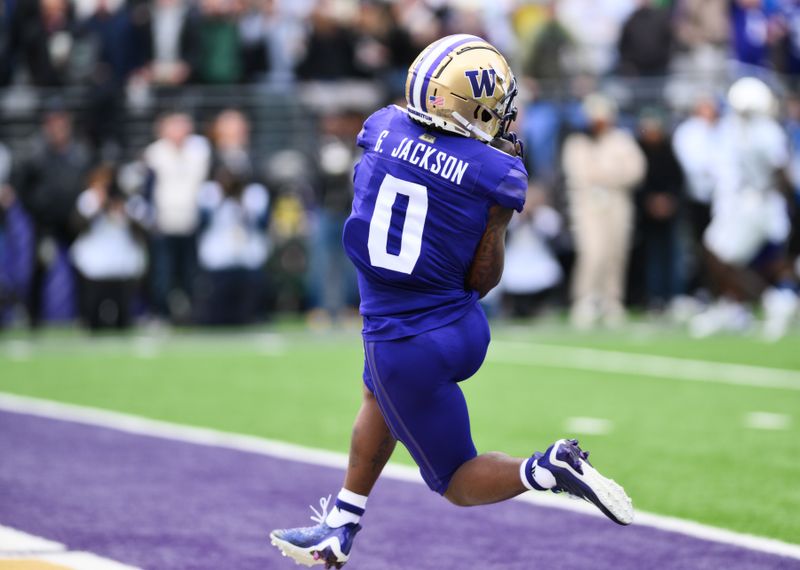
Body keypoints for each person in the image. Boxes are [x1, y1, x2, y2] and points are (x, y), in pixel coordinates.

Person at [270, 35, 633, 569]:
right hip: (462, 325)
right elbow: (484, 277)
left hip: (402, 338)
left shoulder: (381, 128)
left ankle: (548, 466)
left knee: (457, 482)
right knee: (378, 401)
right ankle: (340, 526)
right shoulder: (497, 173)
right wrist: (498, 215)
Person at [691, 77, 799, 340]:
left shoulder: (764, 131)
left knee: (720, 253)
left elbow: (780, 171)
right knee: (768, 259)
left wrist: (790, 205)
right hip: (752, 199)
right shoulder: (739, 128)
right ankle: (743, 304)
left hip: (756, 201)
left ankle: (771, 300)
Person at [562, 93, 646, 329]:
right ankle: (585, 300)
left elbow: (635, 171)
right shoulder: (578, 143)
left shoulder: (621, 140)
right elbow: (580, 176)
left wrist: (606, 177)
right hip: (587, 206)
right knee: (593, 252)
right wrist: (608, 176)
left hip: (617, 203)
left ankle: (612, 301)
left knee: (615, 253)